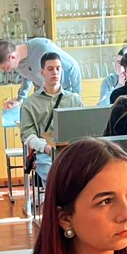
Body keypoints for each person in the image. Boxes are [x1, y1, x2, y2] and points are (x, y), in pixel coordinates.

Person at [19, 53, 84, 184]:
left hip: (72, 151)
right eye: (50, 69)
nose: (55, 72)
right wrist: (45, 147)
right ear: (42, 72)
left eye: (58, 68)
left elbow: (84, 128)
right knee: (53, 173)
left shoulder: (74, 100)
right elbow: (27, 134)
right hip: (45, 153)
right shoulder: (30, 103)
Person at [0, 39, 82, 110]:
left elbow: (73, 66)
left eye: (6, 67)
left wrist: (75, 96)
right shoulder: (17, 63)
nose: (8, 70)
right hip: (44, 98)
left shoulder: (43, 48)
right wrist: (19, 99)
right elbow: (27, 77)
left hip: (64, 95)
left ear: (12, 57)